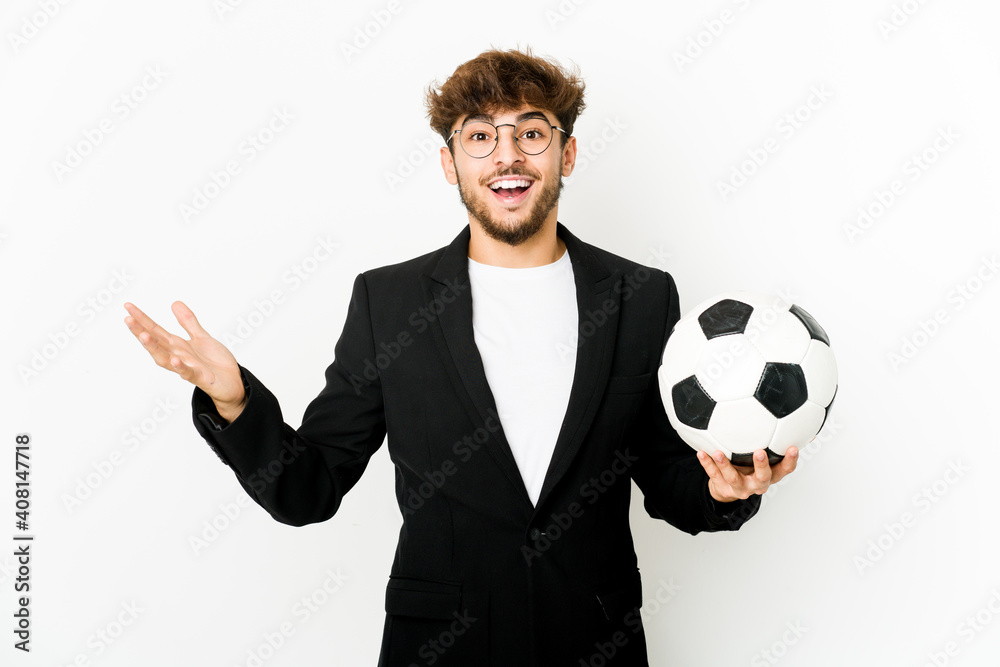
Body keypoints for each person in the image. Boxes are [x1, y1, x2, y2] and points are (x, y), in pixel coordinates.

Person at [124, 46, 797, 667]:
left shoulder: (641, 297)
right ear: (451, 162)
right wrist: (235, 400)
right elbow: (310, 487)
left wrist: (723, 488)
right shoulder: (387, 301)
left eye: (532, 133)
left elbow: (667, 474)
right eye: (480, 136)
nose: (507, 156)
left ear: (566, 154)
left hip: (594, 639)